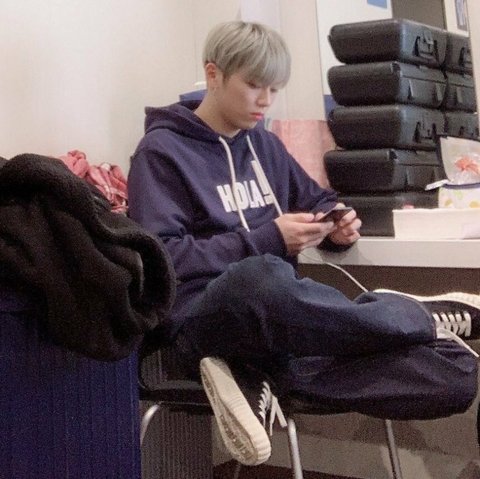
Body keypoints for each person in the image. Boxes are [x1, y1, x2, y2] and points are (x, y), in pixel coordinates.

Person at [128, 21, 480, 467]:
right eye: (254, 85)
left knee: (455, 371)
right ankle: (414, 314)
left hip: (280, 333)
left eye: (274, 89)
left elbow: (316, 200)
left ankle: (254, 377)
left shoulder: (265, 146)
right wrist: (269, 239)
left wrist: (335, 225)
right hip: (202, 322)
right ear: (213, 74)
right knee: (263, 277)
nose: (265, 100)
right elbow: (162, 259)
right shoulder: (160, 152)